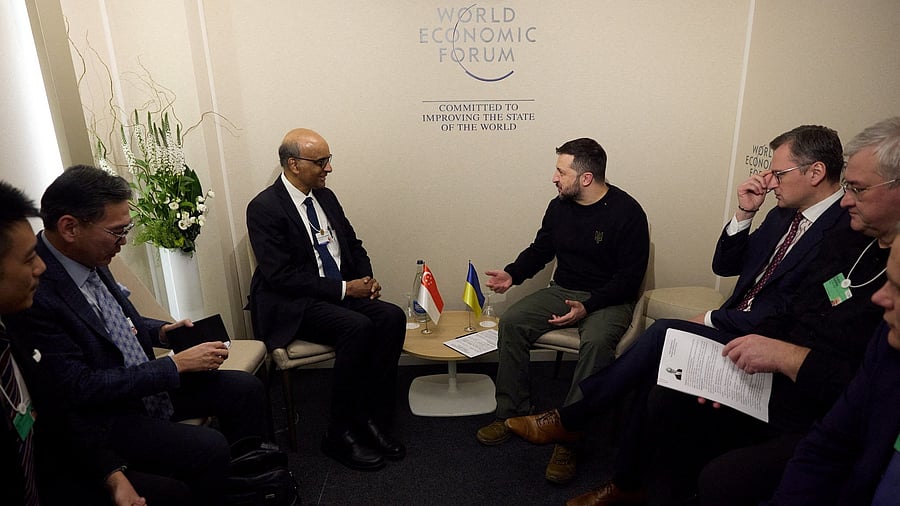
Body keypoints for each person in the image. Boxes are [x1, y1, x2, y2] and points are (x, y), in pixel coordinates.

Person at [505, 124, 895, 505]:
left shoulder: (847, 231)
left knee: (661, 336)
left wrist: (711, 320)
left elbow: (790, 312)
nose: (771, 181)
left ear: (815, 172)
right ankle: (624, 482)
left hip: (765, 342)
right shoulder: (781, 214)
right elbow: (725, 265)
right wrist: (744, 213)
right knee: (655, 379)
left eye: (778, 173)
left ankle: (575, 421)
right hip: (742, 325)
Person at [5, 166, 266, 505]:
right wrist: (173, 367)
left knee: (244, 389)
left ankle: (256, 481)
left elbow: (109, 320)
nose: (124, 241)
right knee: (209, 447)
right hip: (107, 412)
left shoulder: (90, 255)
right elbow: (78, 386)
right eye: (117, 231)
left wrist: (160, 331)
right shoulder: (33, 292)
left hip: (141, 383)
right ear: (70, 227)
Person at [475, 137, 650, 484]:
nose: (554, 178)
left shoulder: (627, 213)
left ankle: (569, 431)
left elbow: (629, 280)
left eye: (560, 171)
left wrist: (587, 307)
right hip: (563, 290)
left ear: (586, 178)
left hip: (607, 299)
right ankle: (511, 413)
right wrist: (514, 273)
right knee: (511, 322)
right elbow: (541, 248)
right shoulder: (559, 207)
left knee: (597, 344)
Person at [246, 128, 406, 471]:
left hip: (338, 291)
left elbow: (353, 243)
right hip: (294, 303)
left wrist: (366, 278)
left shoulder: (326, 198)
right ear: (293, 164)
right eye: (321, 161)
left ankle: (372, 418)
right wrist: (348, 290)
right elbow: (281, 277)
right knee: (357, 326)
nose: (328, 168)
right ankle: (339, 433)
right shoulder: (264, 207)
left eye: (328, 160)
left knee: (391, 317)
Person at [766, 118, 900, 505]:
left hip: (808, 394)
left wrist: (785, 356)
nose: (845, 201)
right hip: (785, 376)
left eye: (856, 189)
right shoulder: (846, 236)